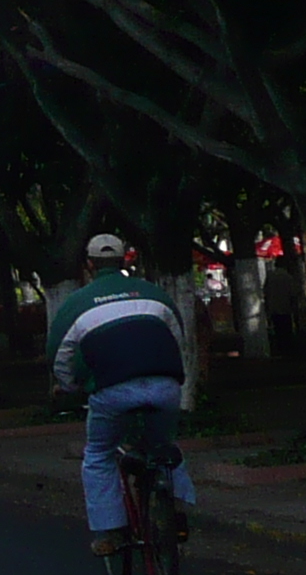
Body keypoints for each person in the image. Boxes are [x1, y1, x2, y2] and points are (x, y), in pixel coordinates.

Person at [48, 232, 199, 556]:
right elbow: (178, 336)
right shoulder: (154, 294)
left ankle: (111, 532)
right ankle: (176, 506)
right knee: (163, 445)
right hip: (165, 385)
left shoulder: (77, 302)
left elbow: (59, 354)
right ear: (124, 259)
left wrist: (70, 386)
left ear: (89, 264)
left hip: (113, 391)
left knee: (99, 454)